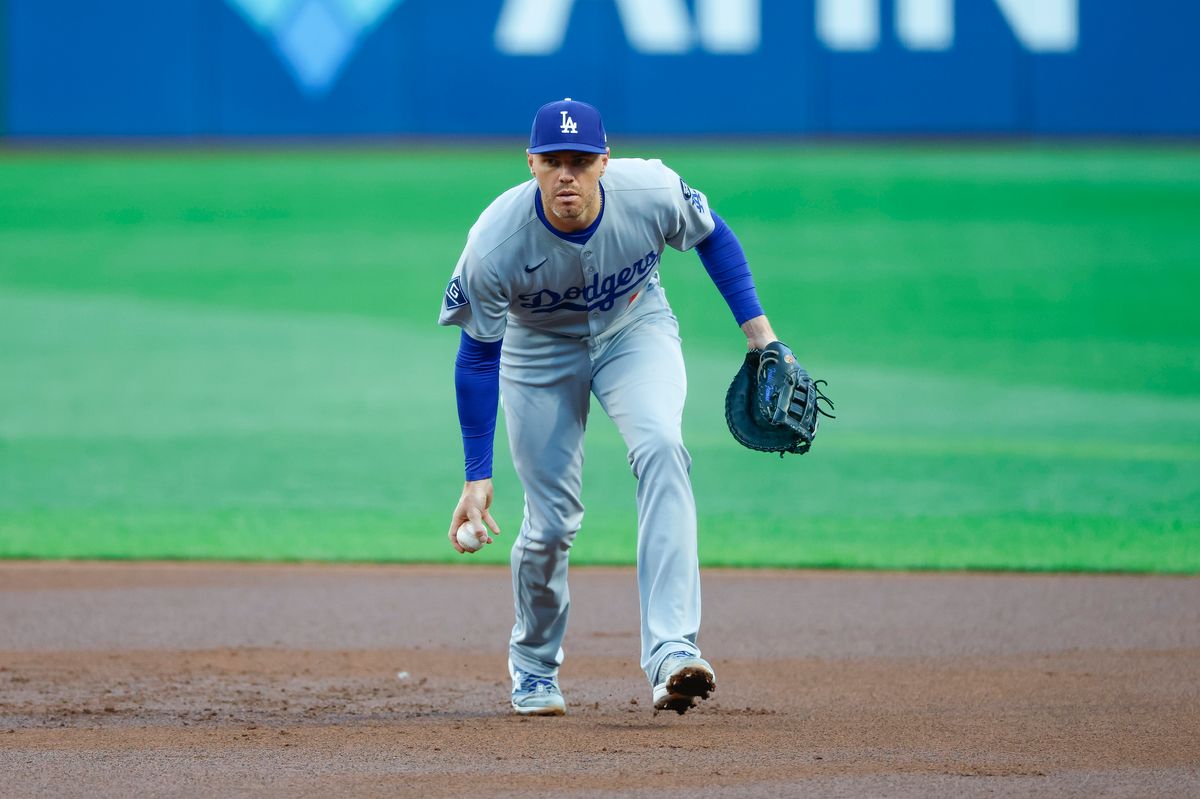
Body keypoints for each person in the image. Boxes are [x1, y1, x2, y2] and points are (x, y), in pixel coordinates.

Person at [439, 98, 779, 716]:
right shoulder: (495, 241)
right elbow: (477, 359)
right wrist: (476, 473)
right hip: (536, 352)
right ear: (531, 163)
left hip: (634, 329)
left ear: (604, 160)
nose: (565, 175)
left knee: (663, 448)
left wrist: (762, 336)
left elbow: (714, 236)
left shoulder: (651, 189)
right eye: (552, 162)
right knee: (550, 521)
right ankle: (534, 669)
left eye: (579, 161)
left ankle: (673, 651)